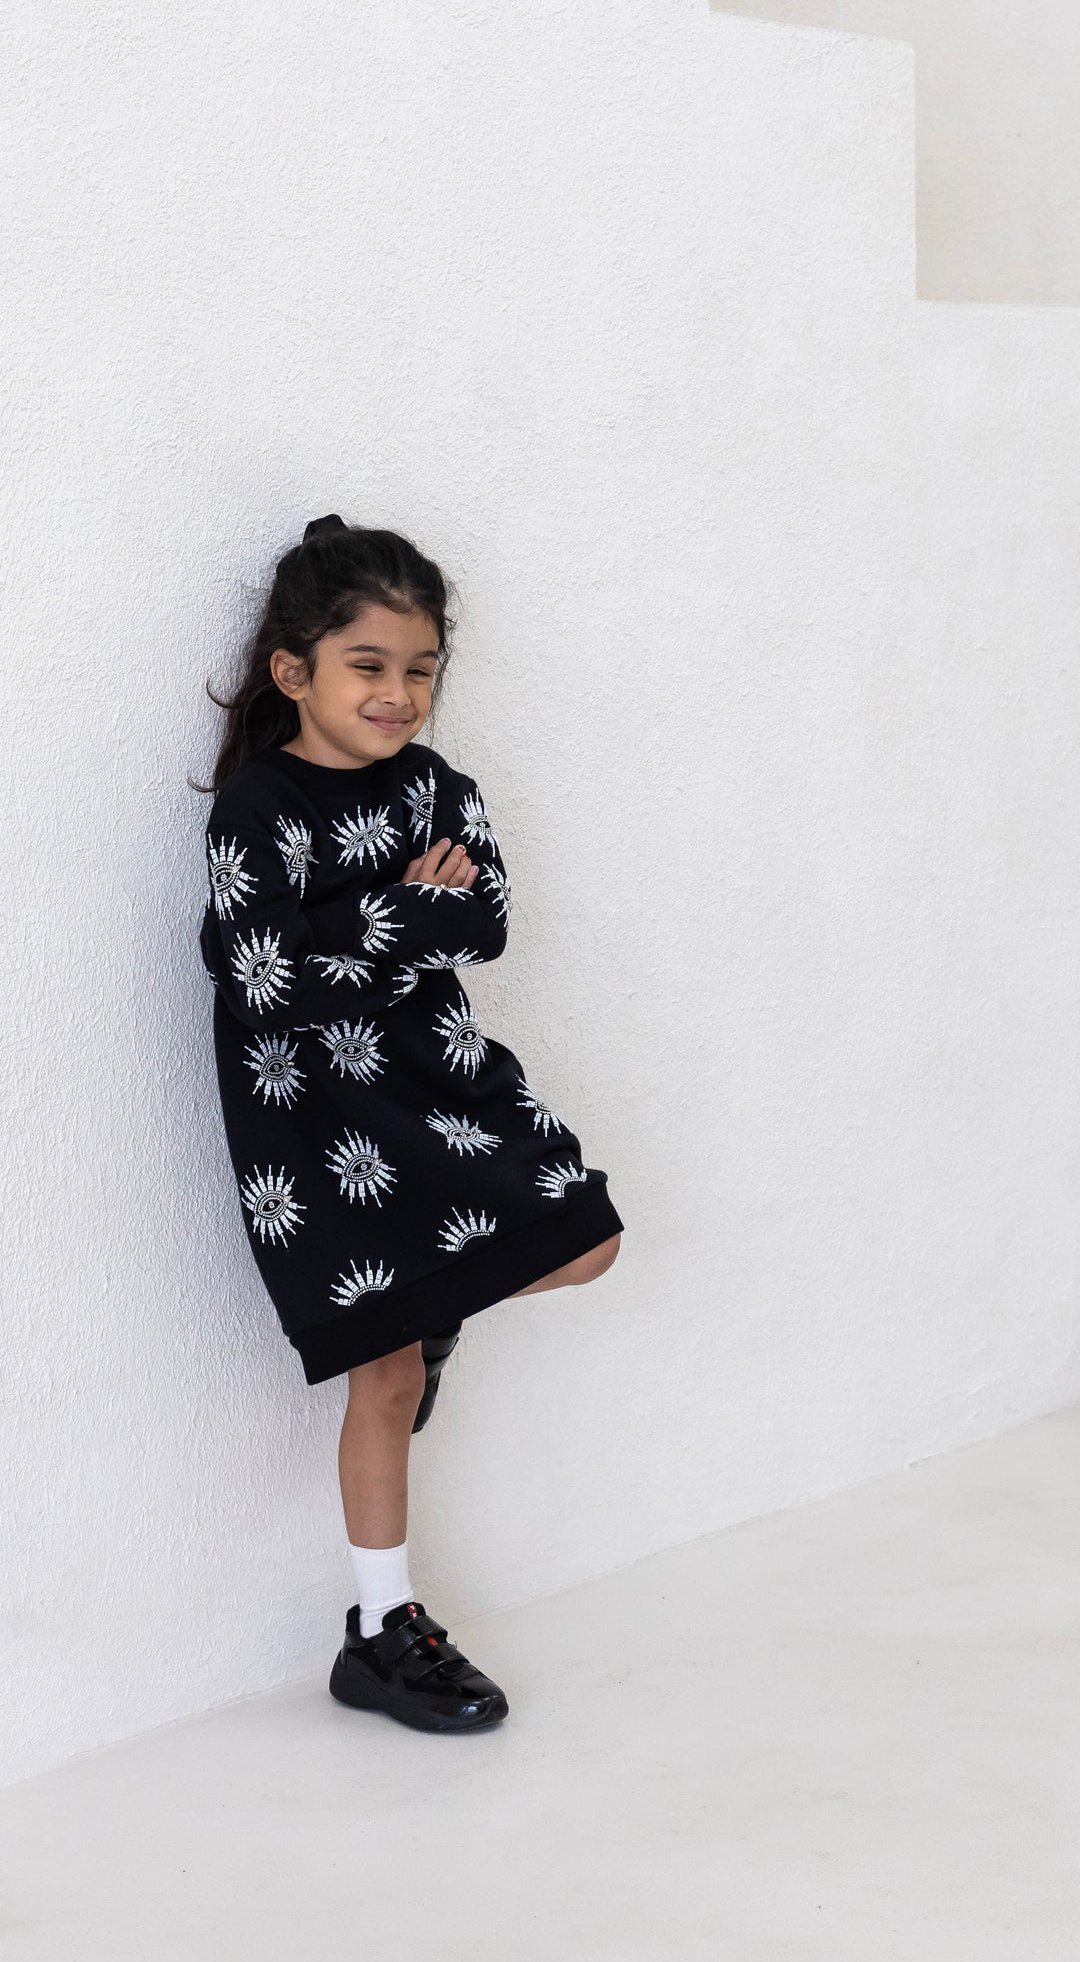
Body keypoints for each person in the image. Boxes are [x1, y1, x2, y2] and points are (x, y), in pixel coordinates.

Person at [195, 513, 623, 1733]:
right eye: (368, 665)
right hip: (316, 1115)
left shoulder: (443, 788)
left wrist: (352, 928)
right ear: (296, 670)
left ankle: (431, 1308)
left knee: (583, 1237)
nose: (397, 693)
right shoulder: (258, 806)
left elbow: (480, 920)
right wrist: (401, 910)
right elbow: (258, 976)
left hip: (439, 1078)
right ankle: (381, 1628)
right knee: (378, 1372)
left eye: (419, 667)